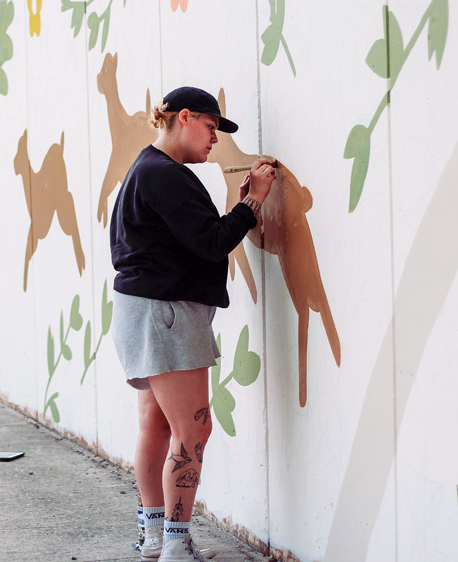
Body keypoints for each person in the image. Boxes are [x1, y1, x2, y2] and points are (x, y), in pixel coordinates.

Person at [109, 86, 276, 561]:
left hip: (142, 311)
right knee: (194, 429)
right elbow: (211, 243)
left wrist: (240, 208)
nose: (214, 140)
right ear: (184, 117)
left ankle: (155, 537)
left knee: (156, 428)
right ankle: (177, 545)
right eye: (210, 127)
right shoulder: (167, 176)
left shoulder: (143, 169)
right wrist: (253, 203)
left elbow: (189, 238)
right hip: (167, 315)